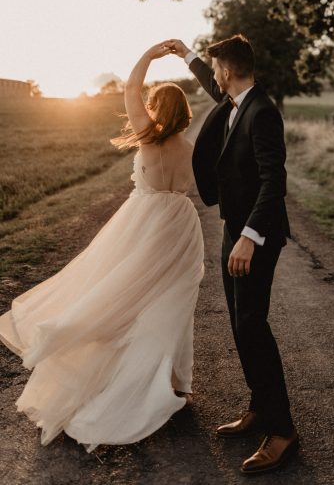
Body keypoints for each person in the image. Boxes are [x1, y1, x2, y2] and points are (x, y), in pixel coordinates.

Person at [0, 42, 204, 452]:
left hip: (144, 223)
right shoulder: (192, 151)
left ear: (156, 109)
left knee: (117, 295)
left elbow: (131, 88)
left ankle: (121, 374)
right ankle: (174, 383)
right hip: (181, 226)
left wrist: (149, 55)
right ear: (184, 113)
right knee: (172, 305)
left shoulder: (147, 137)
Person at [166, 34, 298, 475]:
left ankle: (282, 433)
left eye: (215, 67)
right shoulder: (236, 100)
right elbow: (209, 83)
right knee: (241, 324)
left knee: (252, 326)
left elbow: (272, 182)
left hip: (253, 237)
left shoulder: (262, 113)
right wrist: (186, 55)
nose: (214, 75)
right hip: (233, 230)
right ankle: (260, 407)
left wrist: (250, 236)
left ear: (229, 71)